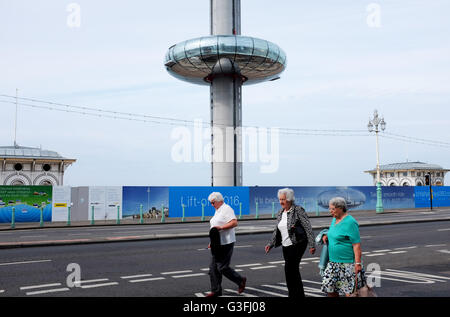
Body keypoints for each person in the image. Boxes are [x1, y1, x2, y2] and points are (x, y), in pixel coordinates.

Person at [265, 188, 316, 298]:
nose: (281, 202)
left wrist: (312, 245)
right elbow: (276, 230)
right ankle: (297, 294)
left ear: (289, 199)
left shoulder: (298, 210)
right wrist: (271, 244)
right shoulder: (280, 213)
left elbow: (308, 227)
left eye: (283, 199)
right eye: (280, 199)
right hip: (286, 245)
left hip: (298, 243)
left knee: (290, 269)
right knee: (291, 271)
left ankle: (294, 295)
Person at [320, 197, 365, 297]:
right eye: (329, 209)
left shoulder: (350, 222)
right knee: (330, 289)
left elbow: (356, 244)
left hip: (348, 264)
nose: (330, 211)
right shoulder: (334, 219)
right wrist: (326, 235)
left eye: (332, 209)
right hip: (333, 263)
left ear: (340, 208)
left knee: (350, 293)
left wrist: (357, 264)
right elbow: (334, 232)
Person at [206, 192, 247, 297]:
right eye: (210, 203)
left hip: (226, 242)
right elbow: (214, 228)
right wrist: (212, 241)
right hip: (217, 243)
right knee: (213, 268)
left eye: (213, 202)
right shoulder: (218, 211)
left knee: (222, 267)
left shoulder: (226, 209)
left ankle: (240, 280)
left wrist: (221, 228)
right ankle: (216, 291)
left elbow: (234, 223)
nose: (212, 205)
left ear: (220, 201)